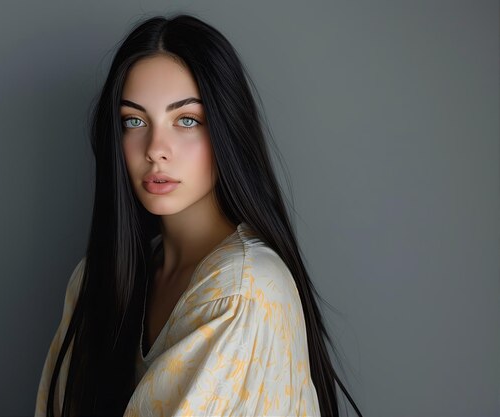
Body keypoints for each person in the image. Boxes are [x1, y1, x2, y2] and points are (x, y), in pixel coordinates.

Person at [35, 14, 364, 417]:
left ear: (226, 129)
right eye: (134, 121)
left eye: (186, 120)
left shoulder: (243, 291)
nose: (156, 148)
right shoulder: (96, 280)